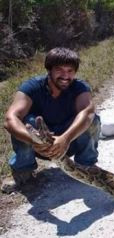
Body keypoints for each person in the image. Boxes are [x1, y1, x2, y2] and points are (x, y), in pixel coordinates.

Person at [1, 47, 101, 193]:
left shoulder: (80, 87)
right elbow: (10, 119)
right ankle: (23, 172)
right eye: (59, 70)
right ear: (49, 69)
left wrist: (65, 139)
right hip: (38, 144)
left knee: (93, 120)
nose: (65, 76)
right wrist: (33, 140)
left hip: (68, 143)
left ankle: (86, 166)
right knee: (25, 122)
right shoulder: (32, 86)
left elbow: (87, 112)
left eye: (70, 70)